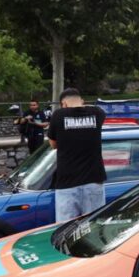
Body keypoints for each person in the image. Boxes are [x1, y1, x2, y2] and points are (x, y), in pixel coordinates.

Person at [47, 88, 107, 222]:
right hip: (94, 180)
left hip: (67, 182)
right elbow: (94, 110)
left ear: (64, 104)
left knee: (66, 228)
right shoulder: (97, 113)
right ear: (82, 101)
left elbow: (53, 144)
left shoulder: (58, 115)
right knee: (94, 225)